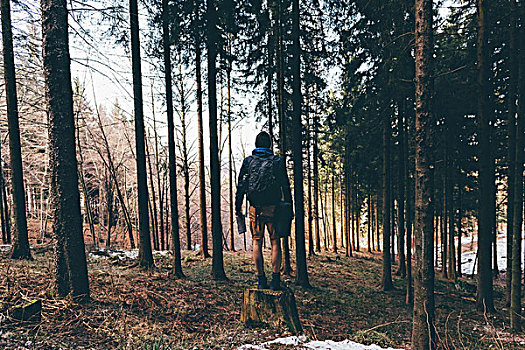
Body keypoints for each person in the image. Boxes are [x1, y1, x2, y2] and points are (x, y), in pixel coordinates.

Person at [235, 131, 292, 290]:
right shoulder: (277, 161)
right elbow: (285, 185)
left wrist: (237, 207)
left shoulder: (248, 162)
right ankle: (275, 280)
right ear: (269, 145)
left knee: (257, 242)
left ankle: (261, 279)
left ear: (256, 145)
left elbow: (241, 187)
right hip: (274, 208)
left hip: (255, 208)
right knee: (275, 242)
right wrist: (289, 207)